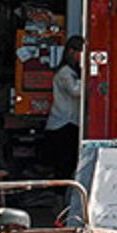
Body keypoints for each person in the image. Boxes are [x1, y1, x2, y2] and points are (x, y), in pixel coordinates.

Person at [43, 35, 84, 176]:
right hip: (63, 123)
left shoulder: (72, 72)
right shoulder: (65, 72)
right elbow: (75, 91)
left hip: (69, 122)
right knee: (64, 163)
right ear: (72, 52)